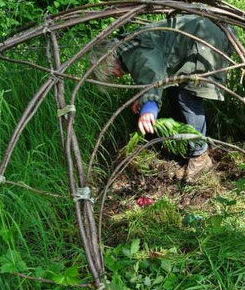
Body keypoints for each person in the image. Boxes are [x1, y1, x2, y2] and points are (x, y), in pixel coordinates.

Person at [92, 14, 234, 182]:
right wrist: (143, 97)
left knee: (188, 96)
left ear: (110, 62)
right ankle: (190, 149)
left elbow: (152, 73)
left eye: (111, 73)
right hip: (198, 38)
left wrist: (149, 108)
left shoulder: (135, 53)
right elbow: (151, 71)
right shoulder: (129, 47)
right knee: (175, 91)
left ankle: (200, 157)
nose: (116, 76)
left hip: (203, 42)